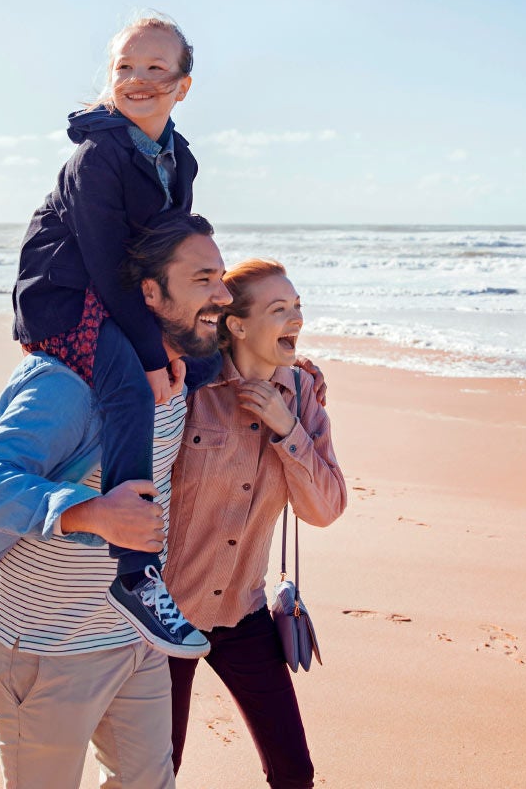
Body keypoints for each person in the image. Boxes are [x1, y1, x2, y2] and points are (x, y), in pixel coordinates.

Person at [0, 215, 232, 788]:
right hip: (48, 647)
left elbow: (244, 350)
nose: (221, 295)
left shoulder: (176, 371)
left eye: (221, 277)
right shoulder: (65, 383)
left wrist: (294, 375)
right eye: (202, 279)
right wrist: (90, 512)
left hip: (131, 636)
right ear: (150, 291)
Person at [11, 12, 207, 655]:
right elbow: (100, 262)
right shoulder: (97, 155)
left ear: (182, 85)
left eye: (156, 68)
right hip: (66, 296)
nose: (139, 79)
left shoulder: (181, 159)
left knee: (209, 359)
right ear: (110, 77)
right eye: (126, 67)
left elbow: (168, 252)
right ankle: (136, 574)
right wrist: (152, 355)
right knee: (129, 387)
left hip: (121, 288)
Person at [163, 259, 348, 789]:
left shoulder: (303, 394)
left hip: (242, 612)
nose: (296, 320)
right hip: (165, 618)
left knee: (294, 772)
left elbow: (325, 509)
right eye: (279, 310)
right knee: (156, 770)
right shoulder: (188, 390)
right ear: (237, 325)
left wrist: (287, 426)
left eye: (297, 308)